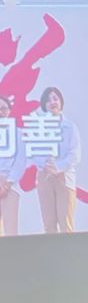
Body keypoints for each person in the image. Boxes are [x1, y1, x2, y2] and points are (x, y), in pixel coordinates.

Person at [30, 86, 81, 233]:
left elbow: (75, 154)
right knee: (49, 225)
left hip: (64, 177)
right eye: (48, 100)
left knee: (66, 225)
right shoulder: (38, 127)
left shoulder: (70, 127)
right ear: (44, 105)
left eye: (55, 98)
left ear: (60, 102)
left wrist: (57, 167)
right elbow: (34, 152)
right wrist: (47, 167)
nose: (52, 102)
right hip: (44, 177)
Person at [0, 96, 25, 236]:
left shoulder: (18, 133)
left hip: (10, 185)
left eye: (3, 109)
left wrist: (7, 184)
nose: (0, 112)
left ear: (9, 111)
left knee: (10, 230)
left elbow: (20, 161)